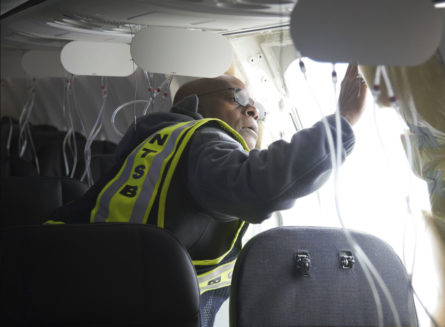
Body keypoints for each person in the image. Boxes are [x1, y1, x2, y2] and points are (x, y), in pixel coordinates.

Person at [46, 63, 367, 327]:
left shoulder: (158, 142)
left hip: (84, 293)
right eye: (239, 97)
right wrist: (343, 124)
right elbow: (257, 186)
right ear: (194, 104)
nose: (253, 109)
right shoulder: (203, 138)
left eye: (259, 107)